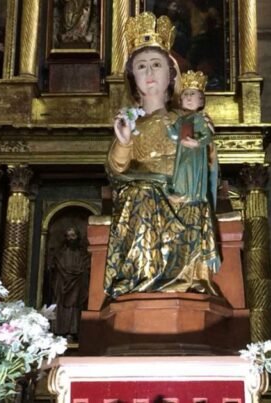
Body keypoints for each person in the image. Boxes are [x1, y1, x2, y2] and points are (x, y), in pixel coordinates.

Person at [104, 12, 220, 298]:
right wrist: (124, 142)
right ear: (133, 77)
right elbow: (116, 170)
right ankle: (142, 282)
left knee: (164, 197)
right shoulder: (131, 122)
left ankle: (174, 281)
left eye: (156, 65)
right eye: (141, 66)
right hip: (142, 192)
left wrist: (202, 146)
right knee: (141, 193)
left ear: (171, 75)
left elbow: (206, 161)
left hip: (182, 190)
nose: (149, 72)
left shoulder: (184, 119)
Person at [169, 70, 218, 206]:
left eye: (192, 94)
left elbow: (207, 137)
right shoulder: (180, 120)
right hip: (182, 152)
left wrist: (197, 143)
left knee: (190, 169)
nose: (189, 97)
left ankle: (191, 193)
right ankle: (181, 192)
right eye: (186, 94)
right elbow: (173, 136)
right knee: (181, 170)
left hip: (196, 153)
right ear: (180, 100)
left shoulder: (201, 118)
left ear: (201, 100)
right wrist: (167, 126)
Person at [50, 227, 91, 338]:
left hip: (77, 285)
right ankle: (59, 330)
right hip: (61, 284)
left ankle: (73, 331)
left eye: (73, 236)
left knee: (75, 307)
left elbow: (87, 267)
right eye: (68, 236)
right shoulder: (60, 253)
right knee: (60, 306)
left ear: (78, 237)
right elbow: (54, 268)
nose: (70, 239)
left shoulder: (83, 254)